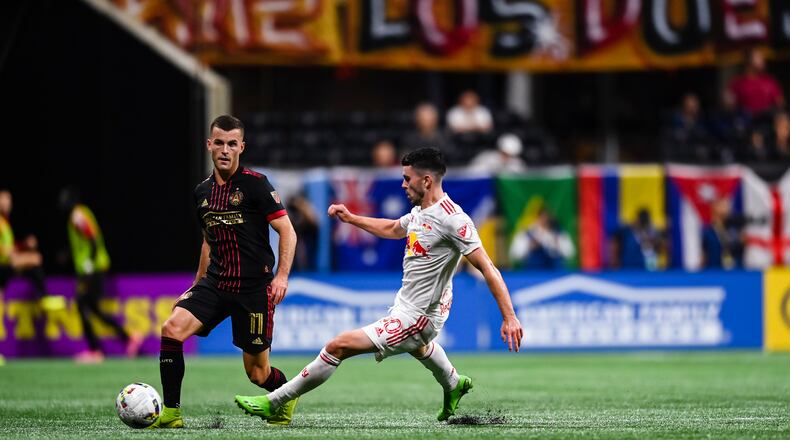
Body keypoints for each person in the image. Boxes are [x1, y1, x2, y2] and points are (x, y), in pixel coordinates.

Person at [235, 148, 523, 423]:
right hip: (409, 305)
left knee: (338, 346)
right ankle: (453, 383)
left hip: (418, 316)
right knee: (420, 348)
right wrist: (351, 219)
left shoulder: (454, 219)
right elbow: (393, 229)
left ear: (426, 180)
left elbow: (488, 267)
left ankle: (275, 401)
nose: (402, 184)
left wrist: (509, 317)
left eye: (407, 178)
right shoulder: (421, 211)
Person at [151, 115, 298, 429]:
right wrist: (195, 285)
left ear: (241, 147)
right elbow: (209, 239)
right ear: (209, 145)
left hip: (254, 289)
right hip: (216, 283)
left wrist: (282, 276)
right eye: (219, 142)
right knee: (171, 328)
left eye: (232, 143)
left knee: (258, 374)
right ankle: (172, 412)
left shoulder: (256, 185)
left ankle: (285, 395)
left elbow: (287, 231)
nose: (225, 149)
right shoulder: (201, 192)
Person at [60, 187, 141, 363]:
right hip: (93, 267)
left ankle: (95, 350)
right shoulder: (81, 213)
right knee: (94, 309)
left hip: (92, 268)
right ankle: (128, 338)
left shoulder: (77, 215)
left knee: (82, 305)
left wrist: (90, 263)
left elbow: (93, 239)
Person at [0, 188, 64, 310]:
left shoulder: (5, 223)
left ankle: (42, 296)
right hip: (4, 264)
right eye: (4, 199)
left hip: (7, 265)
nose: (8, 202)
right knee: (35, 258)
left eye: (9, 199)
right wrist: (17, 254)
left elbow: (10, 246)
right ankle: (43, 297)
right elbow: (6, 250)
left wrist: (24, 245)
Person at [728, 48, 785, 121]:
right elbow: (729, 106)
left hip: (767, 123)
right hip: (747, 123)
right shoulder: (737, 83)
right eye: (759, 58)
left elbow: (780, 103)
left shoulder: (769, 81)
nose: (762, 61)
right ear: (748, 61)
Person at [509, 208, 575, 270]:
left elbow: (570, 253)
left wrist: (557, 245)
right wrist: (529, 246)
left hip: (554, 273)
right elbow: (515, 255)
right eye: (542, 218)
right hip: (532, 273)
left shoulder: (558, 234)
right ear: (537, 218)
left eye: (547, 218)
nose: (544, 220)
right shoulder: (526, 234)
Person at [702, 198, 744, 270]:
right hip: (714, 273)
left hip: (736, 273)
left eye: (727, 205)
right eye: (722, 204)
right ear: (713, 207)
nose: (726, 207)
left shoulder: (736, 230)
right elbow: (703, 257)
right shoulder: (707, 232)